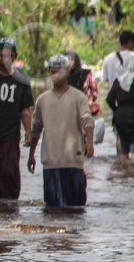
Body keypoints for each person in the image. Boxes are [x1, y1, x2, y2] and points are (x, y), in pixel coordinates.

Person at [27, 54, 95, 207]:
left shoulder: (79, 98)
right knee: (52, 209)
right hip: (51, 164)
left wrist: (89, 142)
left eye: (60, 71)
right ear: (49, 72)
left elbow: (87, 120)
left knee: (76, 209)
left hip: (73, 162)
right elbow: (36, 129)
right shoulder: (42, 100)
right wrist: (31, 155)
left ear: (68, 72)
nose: (56, 75)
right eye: (53, 72)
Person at [0, 38, 33, 202]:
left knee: (10, 175)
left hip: (11, 135)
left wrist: (29, 131)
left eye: (9, 55)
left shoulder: (22, 80)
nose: (5, 59)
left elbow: (25, 110)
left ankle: (10, 211)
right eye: (2, 55)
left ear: (15, 56)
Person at [105, 51, 134, 164]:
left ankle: (123, 172)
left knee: (123, 147)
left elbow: (109, 99)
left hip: (121, 116)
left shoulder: (118, 80)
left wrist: (117, 110)